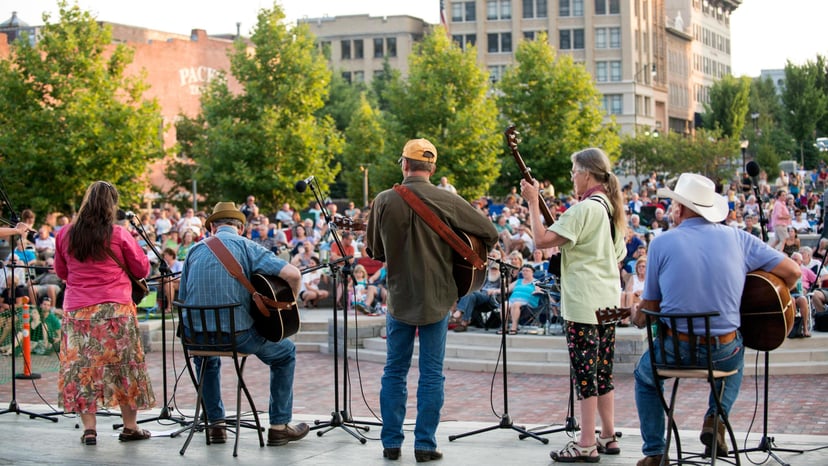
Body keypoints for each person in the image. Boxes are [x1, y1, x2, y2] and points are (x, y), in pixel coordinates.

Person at [630, 173, 800, 466]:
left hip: (676, 351)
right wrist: (761, 293)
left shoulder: (661, 243)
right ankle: (715, 420)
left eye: (674, 204)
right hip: (724, 351)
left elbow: (650, 308)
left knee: (644, 377)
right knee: (737, 353)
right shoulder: (739, 238)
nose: (672, 209)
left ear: (681, 209)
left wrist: (635, 315)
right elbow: (794, 273)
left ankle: (656, 452)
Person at [365, 138, 498, 462]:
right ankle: (425, 444)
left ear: (404, 164)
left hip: (399, 298)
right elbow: (489, 232)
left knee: (394, 371)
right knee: (432, 373)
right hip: (438, 299)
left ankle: (391, 443)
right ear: (433, 168)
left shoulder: (384, 200)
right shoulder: (446, 199)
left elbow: (375, 251)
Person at [521, 147, 626, 462]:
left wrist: (531, 202)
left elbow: (540, 240)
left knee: (585, 373)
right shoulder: (611, 208)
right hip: (609, 301)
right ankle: (607, 434)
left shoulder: (584, 209)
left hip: (584, 302)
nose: (572, 179)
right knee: (603, 371)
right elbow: (618, 255)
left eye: (574, 173)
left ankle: (585, 442)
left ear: (587, 173)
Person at [177, 201, 309, 447]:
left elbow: (182, 297)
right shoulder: (247, 246)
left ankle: (215, 425)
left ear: (213, 227)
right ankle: (279, 427)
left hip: (197, 338)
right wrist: (290, 309)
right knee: (285, 353)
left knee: (206, 358)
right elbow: (293, 274)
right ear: (239, 226)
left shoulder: (194, 251)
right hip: (239, 337)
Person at [54, 180, 156, 445]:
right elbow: (142, 270)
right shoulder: (119, 234)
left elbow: (62, 272)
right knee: (124, 368)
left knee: (83, 369)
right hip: (116, 311)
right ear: (112, 206)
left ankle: (89, 429)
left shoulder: (65, 234)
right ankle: (130, 427)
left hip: (78, 312)